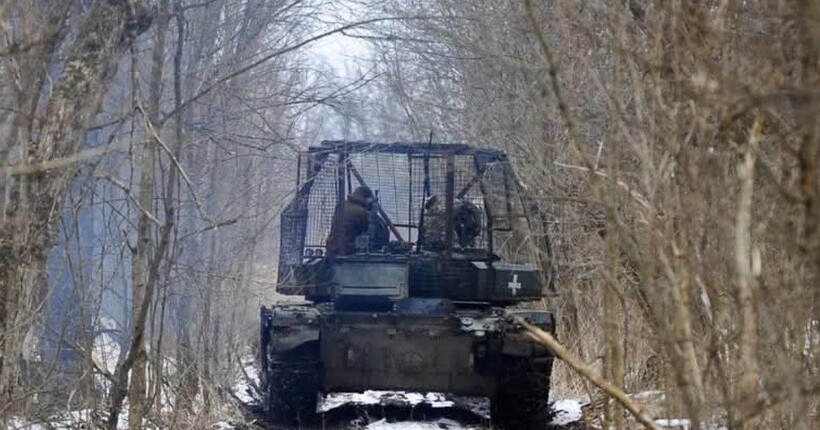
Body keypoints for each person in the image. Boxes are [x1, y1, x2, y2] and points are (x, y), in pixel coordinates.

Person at [325, 186, 376, 256]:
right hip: (348, 248)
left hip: (332, 247)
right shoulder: (361, 212)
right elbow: (366, 230)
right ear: (366, 198)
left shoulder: (341, 205)